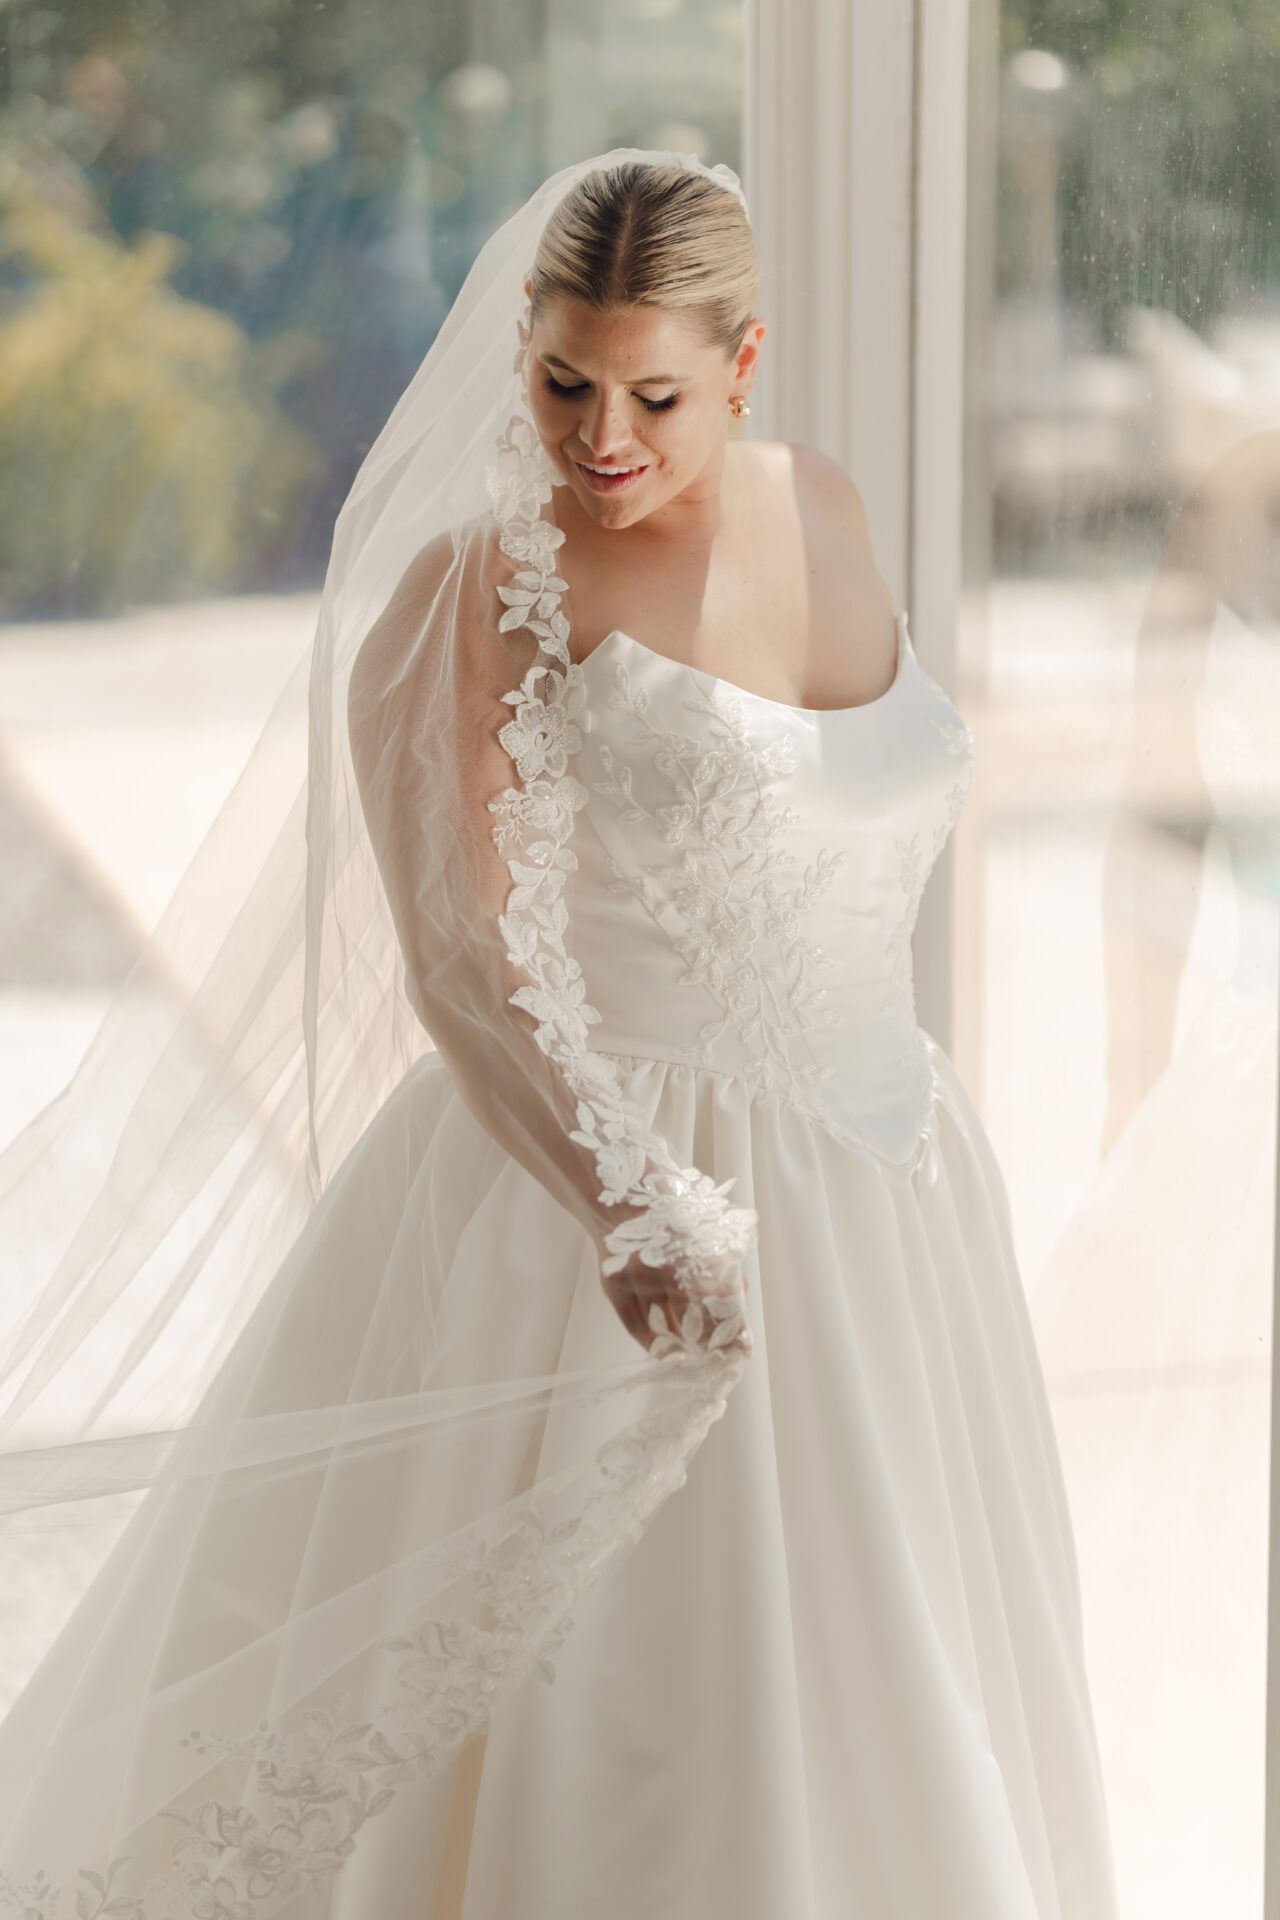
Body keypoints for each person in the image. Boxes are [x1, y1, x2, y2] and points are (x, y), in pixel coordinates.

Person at [0, 149, 1121, 1919]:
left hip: (893, 1194)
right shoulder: (476, 589)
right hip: (609, 1191)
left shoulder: (826, 504)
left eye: (654, 397)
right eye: (562, 384)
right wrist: (629, 1205)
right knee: (644, 1709)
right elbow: (456, 956)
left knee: (896, 1678)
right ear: (519, 348)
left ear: (744, 364)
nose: (601, 437)